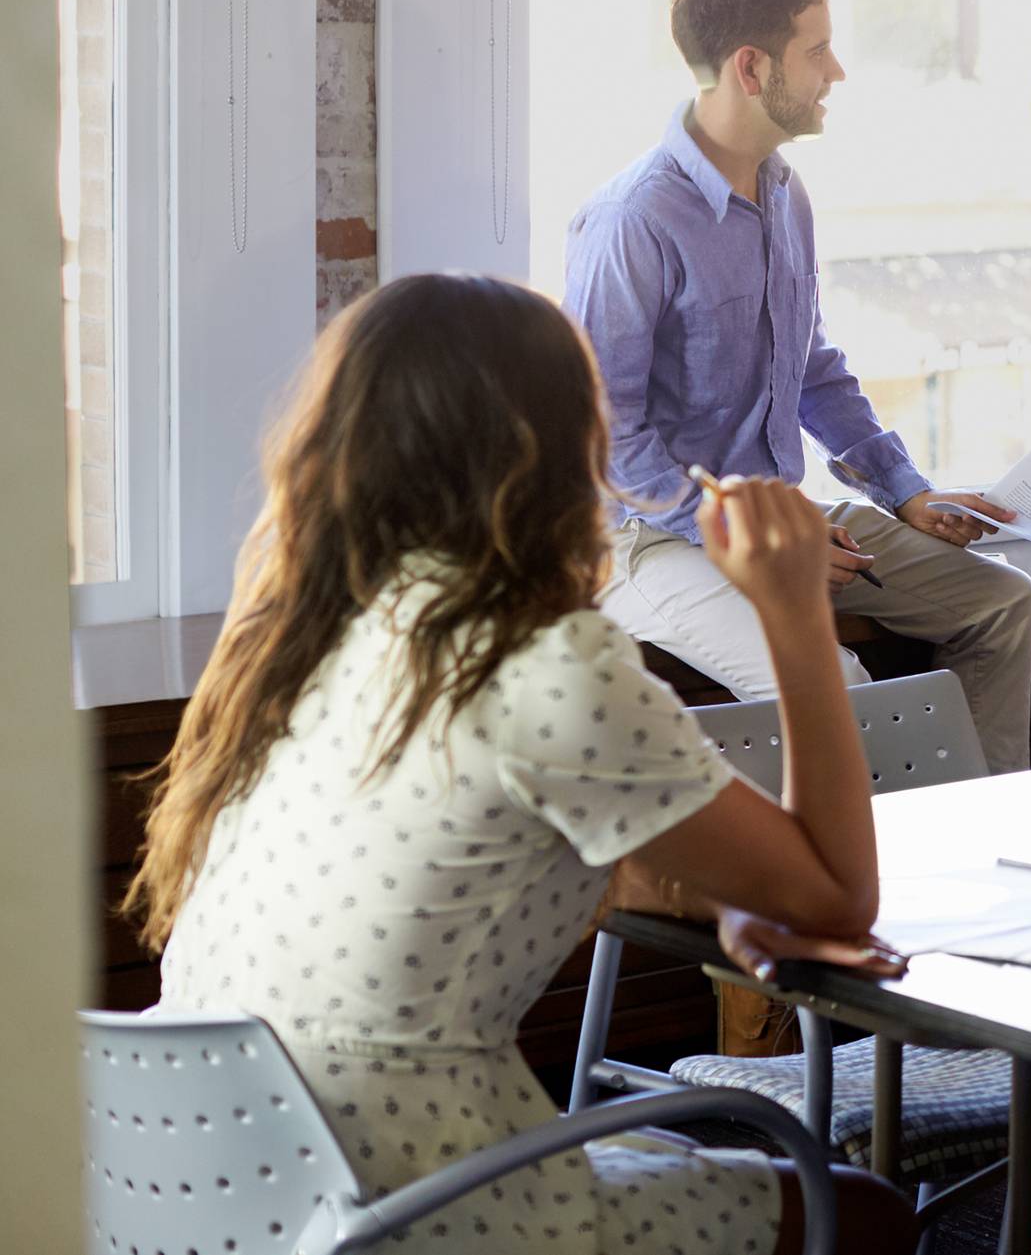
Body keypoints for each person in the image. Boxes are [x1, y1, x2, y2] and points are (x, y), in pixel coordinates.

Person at [134, 274, 918, 1255]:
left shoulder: (310, 639)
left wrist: (727, 899)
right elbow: (841, 899)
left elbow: (499, 845)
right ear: (558, 448)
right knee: (867, 1214)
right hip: (413, 1197)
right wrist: (794, 609)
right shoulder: (545, 663)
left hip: (208, 1176)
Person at [567, 0, 1031, 769]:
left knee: (1003, 603)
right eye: (817, 49)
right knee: (848, 688)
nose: (838, 71)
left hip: (780, 514)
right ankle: (897, 883)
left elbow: (811, 366)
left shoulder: (784, 192)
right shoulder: (631, 221)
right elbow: (610, 441)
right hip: (652, 543)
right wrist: (753, 537)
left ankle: (982, 835)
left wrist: (907, 491)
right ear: (752, 68)